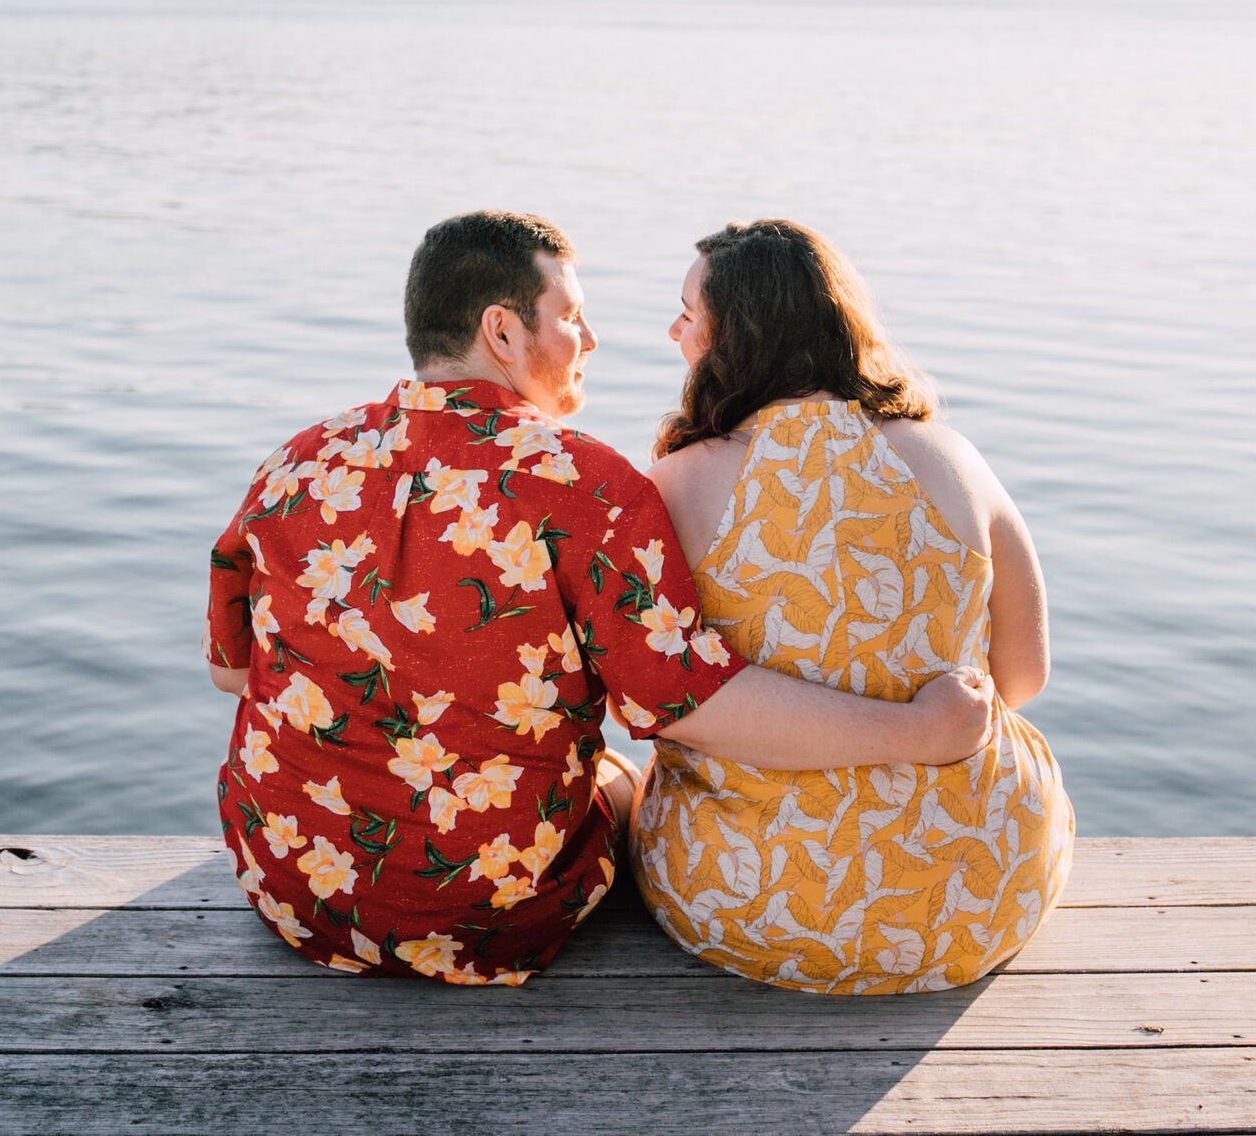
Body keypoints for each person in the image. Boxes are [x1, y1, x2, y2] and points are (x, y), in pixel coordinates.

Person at [206, 210, 998, 986]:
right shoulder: (584, 483)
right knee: (624, 777)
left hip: (288, 886)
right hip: (489, 912)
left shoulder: (298, 463)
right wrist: (916, 728)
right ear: (503, 333)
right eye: (572, 317)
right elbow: (687, 702)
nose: (588, 341)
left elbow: (234, 674)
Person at [629, 218, 1073, 993]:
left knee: (631, 784)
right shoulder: (951, 455)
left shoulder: (680, 483)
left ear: (736, 336)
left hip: (757, 901)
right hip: (981, 893)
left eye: (687, 313)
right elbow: (1023, 673)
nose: (674, 330)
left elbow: (665, 696)